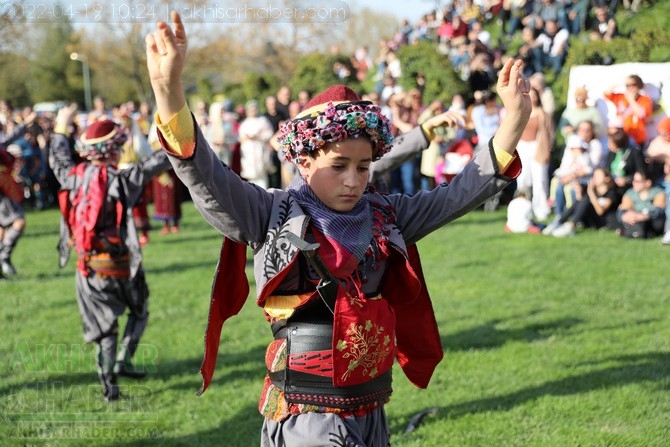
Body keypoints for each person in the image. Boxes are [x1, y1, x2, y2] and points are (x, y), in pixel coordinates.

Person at [146, 12, 530, 445]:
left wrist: (512, 123)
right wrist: (168, 91)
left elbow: (457, 194)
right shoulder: (270, 212)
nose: (354, 180)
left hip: (371, 407)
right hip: (307, 413)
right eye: (339, 166)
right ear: (305, 162)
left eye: (364, 167)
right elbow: (208, 176)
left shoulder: (386, 214)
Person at [49, 114, 171, 402]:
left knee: (105, 329)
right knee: (139, 311)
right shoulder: (124, 178)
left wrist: (59, 127)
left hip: (88, 266)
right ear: (114, 150)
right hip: (120, 265)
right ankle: (123, 360)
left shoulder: (73, 177)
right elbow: (159, 161)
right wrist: (178, 133)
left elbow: (58, 159)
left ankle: (109, 386)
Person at [547, 167, 621, 237]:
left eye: (598, 176)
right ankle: (559, 222)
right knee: (582, 200)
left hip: (601, 221)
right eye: (594, 175)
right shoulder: (591, 189)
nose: (595, 178)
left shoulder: (612, 193)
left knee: (585, 200)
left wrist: (591, 194)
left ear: (607, 179)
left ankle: (570, 226)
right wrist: (579, 192)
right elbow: (579, 203)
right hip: (588, 220)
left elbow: (600, 211)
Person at [603, 75, 653, 148]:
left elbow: (641, 114)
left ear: (639, 85)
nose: (630, 87)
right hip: (622, 137)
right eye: (627, 85)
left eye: (633, 85)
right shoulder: (621, 97)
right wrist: (619, 83)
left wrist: (631, 100)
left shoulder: (645, 99)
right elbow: (606, 94)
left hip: (637, 137)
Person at [616, 169, 666, 238]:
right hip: (634, 219)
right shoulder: (630, 193)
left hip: (650, 220)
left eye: (637, 181)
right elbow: (623, 208)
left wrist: (644, 216)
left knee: (657, 223)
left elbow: (659, 209)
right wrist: (626, 216)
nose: (634, 183)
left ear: (648, 183)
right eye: (633, 180)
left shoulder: (658, 192)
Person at [0, 144, 26, 278]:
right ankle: (4, 255)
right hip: (3, 194)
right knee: (19, 222)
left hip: (5, 192)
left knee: (2, 229)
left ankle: (3, 261)